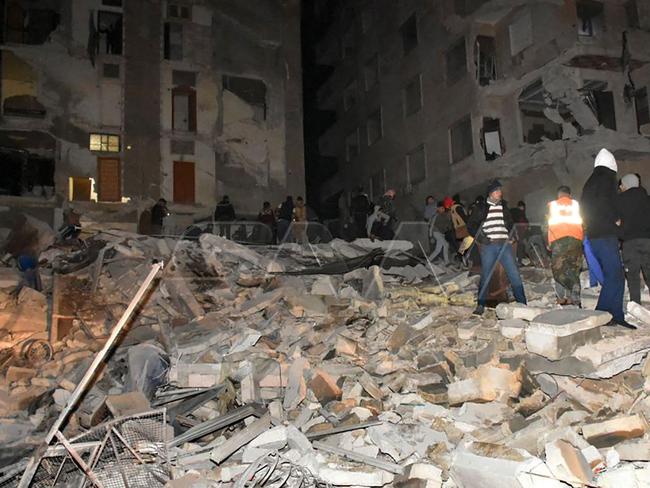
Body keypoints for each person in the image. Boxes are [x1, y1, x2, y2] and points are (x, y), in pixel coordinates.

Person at [581, 148, 635, 328]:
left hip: (595, 236)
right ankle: (600, 314)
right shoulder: (605, 180)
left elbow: (589, 208)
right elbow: (606, 204)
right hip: (605, 235)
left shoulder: (590, 182)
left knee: (617, 276)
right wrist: (616, 219)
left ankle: (615, 315)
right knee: (614, 276)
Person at [467, 179, 527, 315]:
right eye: (497, 190)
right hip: (489, 245)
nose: (500, 193)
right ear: (491, 193)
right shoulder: (481, 208)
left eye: (500, 190)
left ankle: (523, 304)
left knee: (514, 274)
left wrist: (512, 237)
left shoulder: (504, 206)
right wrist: (482, 239)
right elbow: (471, 226)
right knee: (486, 275)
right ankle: (481, 305)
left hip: (504, 244)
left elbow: (510, 223)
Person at [546, 186, 584, 306]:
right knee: (573, 269)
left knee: (558, 271)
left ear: (558, 195)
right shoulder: (576, 205)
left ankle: (564, 295)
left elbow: (548, 225)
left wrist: (549, 242)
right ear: (570, 194)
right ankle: (575, 299)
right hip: (576, 240)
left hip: (559, 240)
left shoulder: (553, 205)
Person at [616, 173, 650, 305]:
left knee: (633, 276)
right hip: (648, 240)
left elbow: (616, 220)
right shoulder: (647, 199)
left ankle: (636, 305)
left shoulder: (620, 199)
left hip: (630, 242)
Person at [428, 201, 451, 265]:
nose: (442, 209)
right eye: (441, 208)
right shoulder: (436, 216)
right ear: (438, 208)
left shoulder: (445, 216)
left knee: (437, 250)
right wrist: (431, 236)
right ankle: (447, 262)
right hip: (436, 233)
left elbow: (448, 225)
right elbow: (431, 226)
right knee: (446, 245)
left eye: (443, 208)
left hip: (442, 234)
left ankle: (428, 260)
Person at [510, 201, 530, 265]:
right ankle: (519, 261)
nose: (523, 209)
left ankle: (516, 260)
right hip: (519, 232)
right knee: (520, 246)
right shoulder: (520, 214)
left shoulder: (514, 213)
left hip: (515, 232)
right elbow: (522, 223)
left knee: (516, 246)